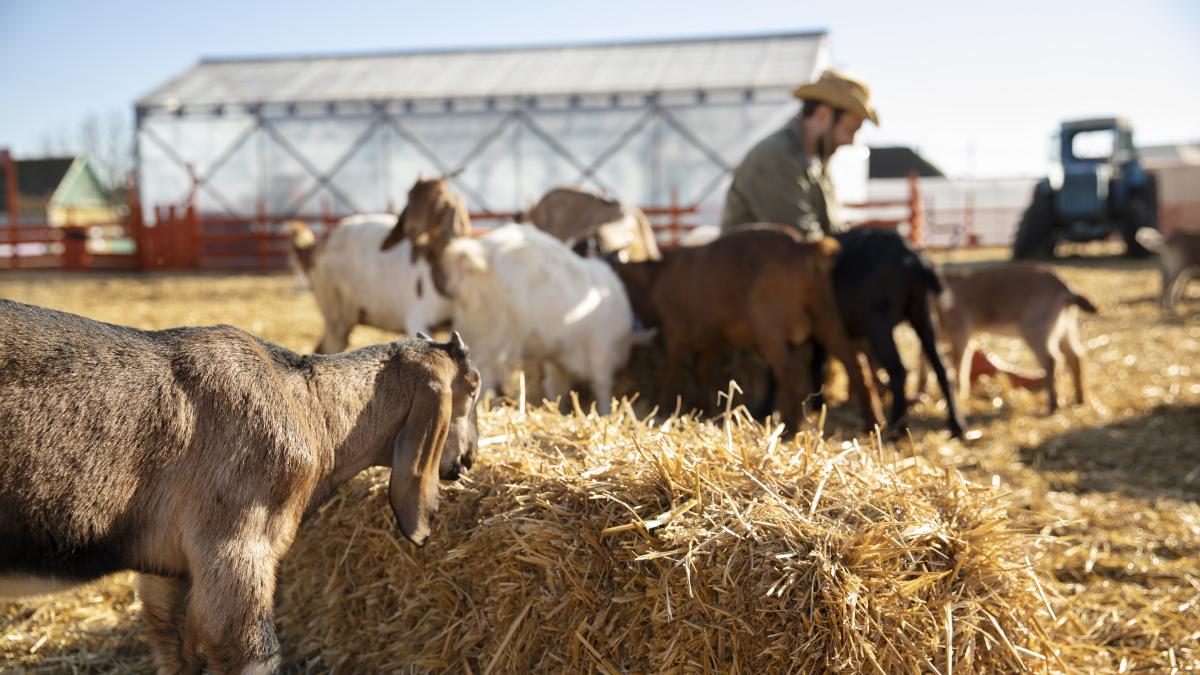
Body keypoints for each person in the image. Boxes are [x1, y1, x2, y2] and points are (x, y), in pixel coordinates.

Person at [721, 68, 880, 239]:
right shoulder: (776, 158)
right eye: (849, 130)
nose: (850, 141)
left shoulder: (815, 163)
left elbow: (830, 232)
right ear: (822, 115)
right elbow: (804, 242)